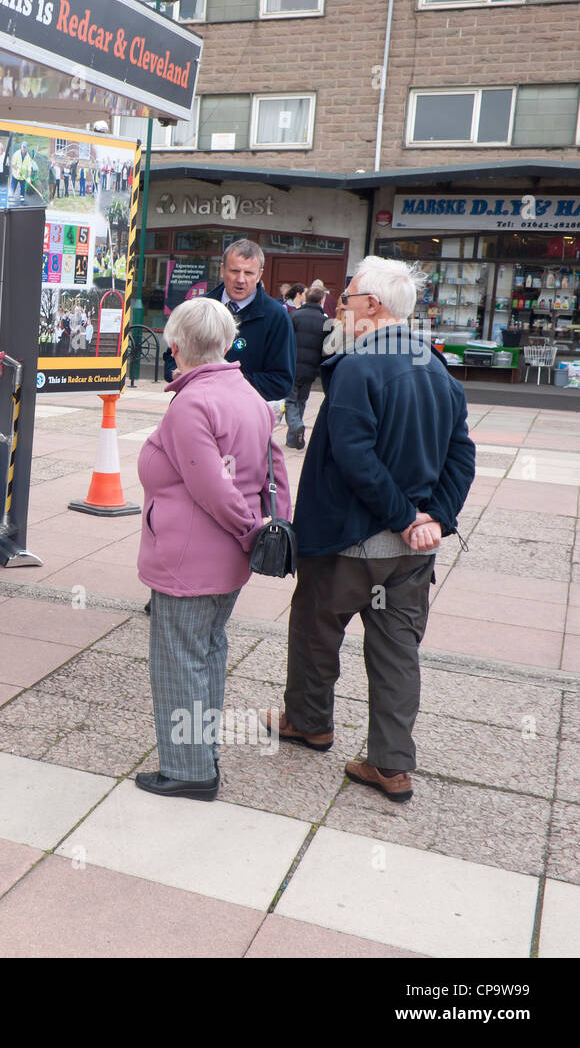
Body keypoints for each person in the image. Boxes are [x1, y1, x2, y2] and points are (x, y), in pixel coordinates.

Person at [267, 256, 475, 804]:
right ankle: (391, 765)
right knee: (397, 656)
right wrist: (435, 519)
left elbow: (355, 459)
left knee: (316, 633)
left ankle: (310, 722)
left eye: (347, 300)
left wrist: (409, 517)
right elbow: (461, 457)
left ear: (374, 307)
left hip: (348, 542)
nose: (340, 309)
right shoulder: (437, 369)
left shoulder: (358, 367)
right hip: (411, 555)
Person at [134, 298, 290, 801]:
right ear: (226, 343)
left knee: (178, 661)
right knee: (208, 654)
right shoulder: (246, 391)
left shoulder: (192, 404)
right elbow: (275, 469)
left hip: (190, 560)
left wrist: (250, 530)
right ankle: (202, 754)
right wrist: (273, 528)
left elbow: (212, 489)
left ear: (176, 347)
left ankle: (188, 769)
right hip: (226, 561)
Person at [166, 241, 295, 405]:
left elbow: (281, 382)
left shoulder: (276, 317)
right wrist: (175, 373)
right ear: (222, 270)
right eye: (234, 271)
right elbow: (171, 356)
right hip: (192, 406)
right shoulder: (197, 307)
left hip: (242, 415)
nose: (241, 279)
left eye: (249, 273)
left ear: (259, 275)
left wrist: (223, 384)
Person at [285, 285, 330, 449]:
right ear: (321, 300)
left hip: (292, 365)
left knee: (290, 401)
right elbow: (327, 347)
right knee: (301, 401)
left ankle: (296, 426)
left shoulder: (294, 315)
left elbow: (286, 340)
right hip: (311, 368)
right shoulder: (325, 322)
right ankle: (293, 438)